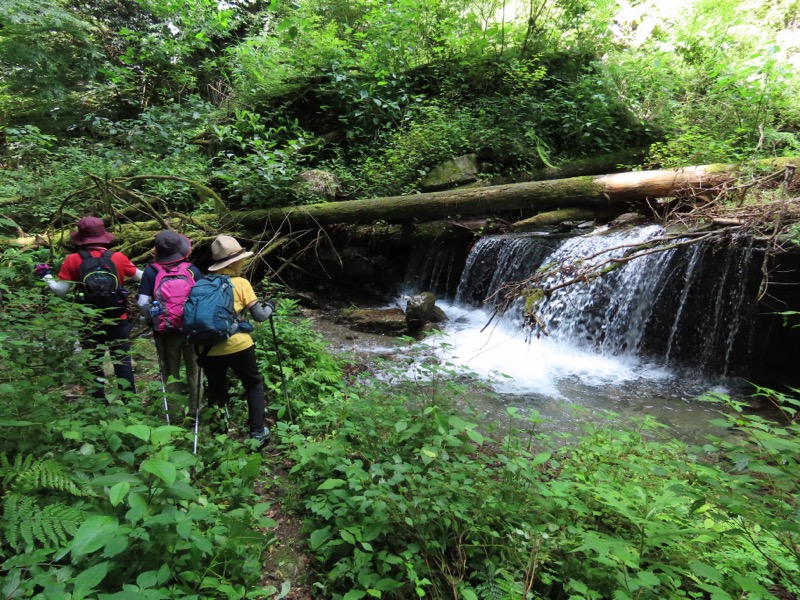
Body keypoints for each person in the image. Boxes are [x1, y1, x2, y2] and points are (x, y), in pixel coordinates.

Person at [34, 216, 143, 400]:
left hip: (89, 320)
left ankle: (99, 401)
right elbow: (142, 277)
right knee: (122, 360)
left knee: (94, 361)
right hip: (118, 317)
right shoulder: (118, 257)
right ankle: (129, 402)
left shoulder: (73, 260)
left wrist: (46, 275)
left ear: (81, 237)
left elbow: (60, 291)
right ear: (103, 236)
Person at [199, 235, 274, 447]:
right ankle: (257, 433)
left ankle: (219, 436)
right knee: (253, 384)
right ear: (234, 262)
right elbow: (259, 316)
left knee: (217, 390)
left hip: (209, 348)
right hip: (239, 345)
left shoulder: (203, 283)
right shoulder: (241, 283)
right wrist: (270, 307)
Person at [136, 230, 203, 422]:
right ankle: (196, 412)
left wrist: (151, 318)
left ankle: (173, 415)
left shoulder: (151, 271)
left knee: (170, 371)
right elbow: (201, 297)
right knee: (195, 370)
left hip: (165, 332)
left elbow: (142, 303)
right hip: (191, 329)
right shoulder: (191, 270)